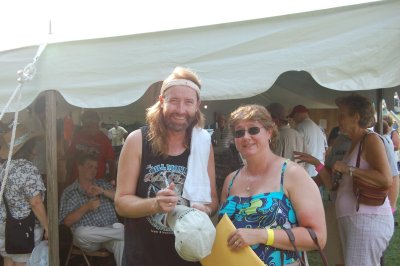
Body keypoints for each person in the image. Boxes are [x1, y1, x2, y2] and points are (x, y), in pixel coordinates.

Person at [114, 66, 218, 266]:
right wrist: (154, 204)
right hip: (143, 258)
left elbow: (213, 199)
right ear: (162, 101)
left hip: (187, 258)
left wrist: (205, 209)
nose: (181, 110)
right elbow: (121, 203)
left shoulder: (203, 144)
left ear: (197, 105)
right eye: (174, 101)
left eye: (188, 102)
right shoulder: (137, 140)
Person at [219, 104, 326, 265]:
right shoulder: (230, 180)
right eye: (239, 132)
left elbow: (318, 237)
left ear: (269, 132)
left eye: (253, 130)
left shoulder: (292, 174)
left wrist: (262, 235)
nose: (246, 137)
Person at [298, 94, 393, 266]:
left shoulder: (370, 140)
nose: (339, 119)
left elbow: (386, 179)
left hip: (367, 220)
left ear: (356, 117)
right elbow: (332, 187)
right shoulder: (353, 143)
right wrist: (317, 164)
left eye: (342, 114)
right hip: (354, 219)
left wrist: (349, 169)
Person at [59, 153, 124, 266]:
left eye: (95, 167)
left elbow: (120, 198)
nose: (94, 170)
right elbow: (67, 222)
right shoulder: (69, 192)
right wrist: (87, 207)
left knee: (121, 240)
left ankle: (122, 233)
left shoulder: (102, 184)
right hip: (89, 239)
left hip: (110, 233)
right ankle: (126, 233)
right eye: (90, 166)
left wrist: (102, 191)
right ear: (80, 167)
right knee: (80, 233)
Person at [0, 125, 48, 266]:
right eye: (33, 146)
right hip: (23, 228)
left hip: (3, 225)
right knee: (23, 261)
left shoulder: (3, 168)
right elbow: (35, 202)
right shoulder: (27, 168)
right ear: (27, 148)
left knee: (8, 259)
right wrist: (47, 227)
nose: (35, 151)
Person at [67, 110, 116, 184]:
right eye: (84, 124)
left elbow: (112, 163)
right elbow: (70, 158)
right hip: (77, 182)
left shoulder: (104, 140)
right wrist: (68, 178)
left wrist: (112, 181)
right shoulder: (78, 136)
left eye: (87, 124)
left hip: (97, 183)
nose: (85, 126)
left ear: (96, 123)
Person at [288, 104, 327, 177]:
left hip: (307, 171)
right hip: (319, 170)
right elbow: (324, 151)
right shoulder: (318, 128)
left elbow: (295, 150)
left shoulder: (300, 127)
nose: (294, 119)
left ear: (297, 114)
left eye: (294, 117)